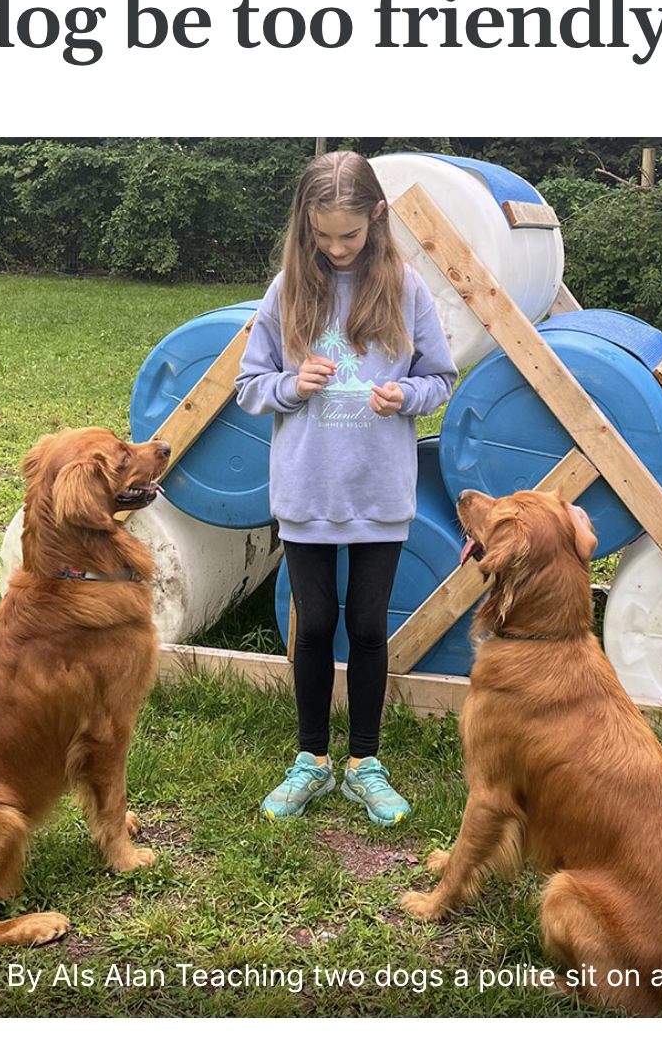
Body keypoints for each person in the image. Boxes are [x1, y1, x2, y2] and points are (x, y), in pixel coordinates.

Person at [235, 151, 457, 826]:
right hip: (307, 493)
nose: (335, 248)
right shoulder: (286, 291)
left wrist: (407, 395)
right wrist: (288, 386)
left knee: (365, 625)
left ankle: (364, 763)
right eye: (323, 234)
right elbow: (249, 385)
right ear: (305, 224)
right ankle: (312, 762)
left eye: (349, 235)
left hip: (380, 495)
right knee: (315, 626)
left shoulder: (406, 289)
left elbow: (441, 379)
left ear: (378, 219)